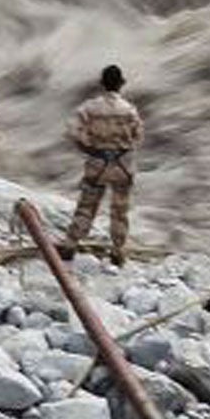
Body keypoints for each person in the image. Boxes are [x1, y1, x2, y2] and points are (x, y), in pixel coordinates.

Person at [61, 65, 144, 267]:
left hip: (97, 163)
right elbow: (138, 137)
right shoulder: (129, 110)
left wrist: (88, 147)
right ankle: (118, 252)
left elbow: (72, 131)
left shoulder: (89, 108)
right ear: (121, 84)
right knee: (120, 211)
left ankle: (70, 245)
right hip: (122, 166)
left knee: (86, 207)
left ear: (102, 84)